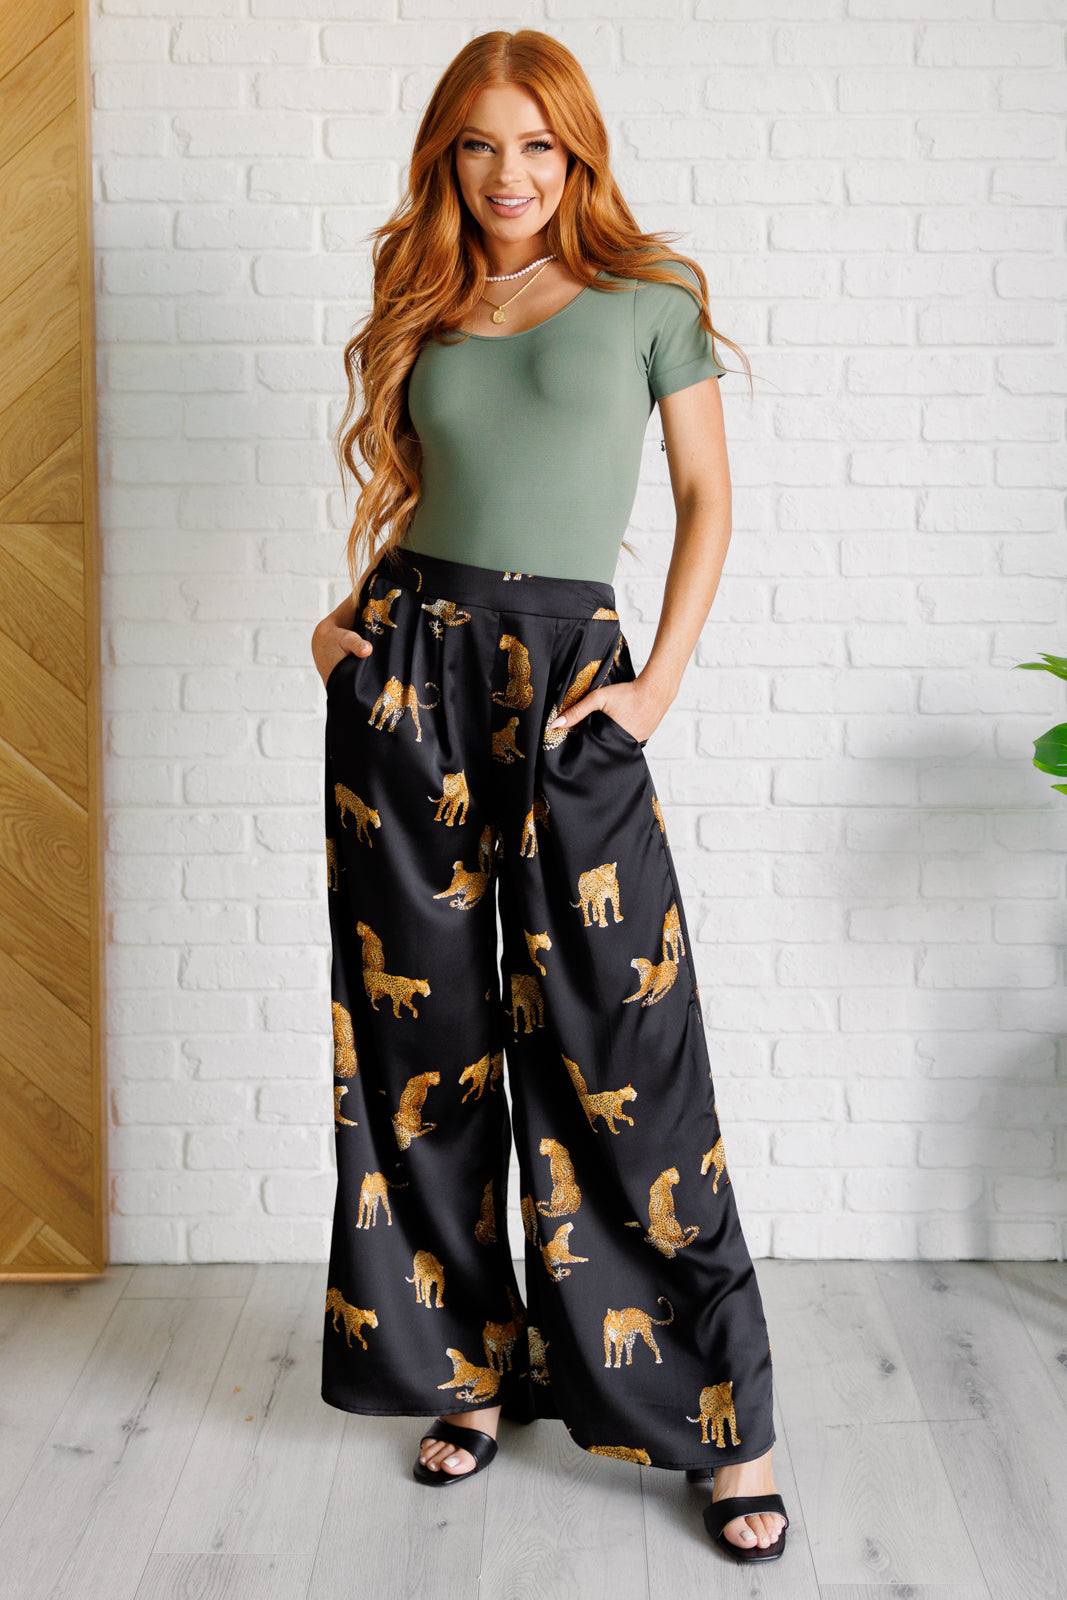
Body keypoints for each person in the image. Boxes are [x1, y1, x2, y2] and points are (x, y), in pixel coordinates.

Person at [312, 29, 790, 1565]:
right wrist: (342, 632)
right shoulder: (427, 297)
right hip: (412, 682)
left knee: (622, 1051)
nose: (507, 174)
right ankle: (465, 1368)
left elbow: (708, 499)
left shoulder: (654, 301)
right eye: (478, 145)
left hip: (573, 689)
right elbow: (422, 496)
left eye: (536, 145)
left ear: (577, 153)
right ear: (445, 158)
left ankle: (721, 1425)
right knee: (425, 1049)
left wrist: (654, 689)